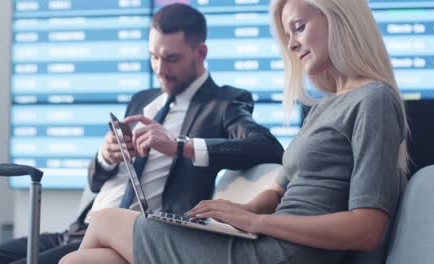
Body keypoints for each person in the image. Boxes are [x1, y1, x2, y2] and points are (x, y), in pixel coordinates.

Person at [59, 0, 410, 263]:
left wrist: (256, 221)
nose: (291, 44)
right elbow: (278, 191)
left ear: (339, 18)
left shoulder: (373, 99)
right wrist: (232, 215)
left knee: (105, 221)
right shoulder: (323, 107)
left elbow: (367, 228)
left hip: (283, 253)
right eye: (288, 34)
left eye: (299, 27)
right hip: (267, 242)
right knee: (78, 260)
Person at [0, 3, 284, 264]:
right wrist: (106, 156)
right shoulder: (142, 100)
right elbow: (95, 180)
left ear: (201, 52)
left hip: (127, 235)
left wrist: (180, 146)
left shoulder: (222, 103)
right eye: (153, 57)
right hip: (78, 229)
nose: (159, 68)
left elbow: (268, 147)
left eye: (171, 59)